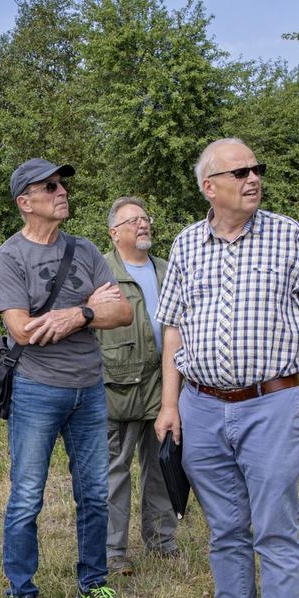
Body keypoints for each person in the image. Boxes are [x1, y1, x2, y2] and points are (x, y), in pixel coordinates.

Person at [154, 138, 299, 598]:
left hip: (270, 406)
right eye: (239, 172)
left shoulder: (288, 235)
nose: (252, 178)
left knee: (275, 531)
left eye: (256, 169)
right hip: (201, 407)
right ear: (210, 187)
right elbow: (173, 326)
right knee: (226, 530)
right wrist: (170, 406)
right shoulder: (187, 244)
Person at [0, 158, 134, 598]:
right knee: (28, 495)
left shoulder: (86, 249)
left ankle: (94, 585)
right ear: (25, 202)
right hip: (36, 390)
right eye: (48, 186)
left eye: (62, 184)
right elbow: (23, 329)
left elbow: (123, 314)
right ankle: (21, 594)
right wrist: (90, 305)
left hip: (90, 389)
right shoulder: (8, 257)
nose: (61, 191)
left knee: (94, 493)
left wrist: (80, 316)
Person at [94, 197, 178, 578]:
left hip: (166, 386)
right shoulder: (101, 271)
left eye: (145, 219)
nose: (142, 225)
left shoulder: (166, 269)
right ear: (114, 233)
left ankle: (162, 542)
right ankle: (113, 552)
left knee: (162, 465)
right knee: (115, 470)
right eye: (132, 221)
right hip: (119, 385)